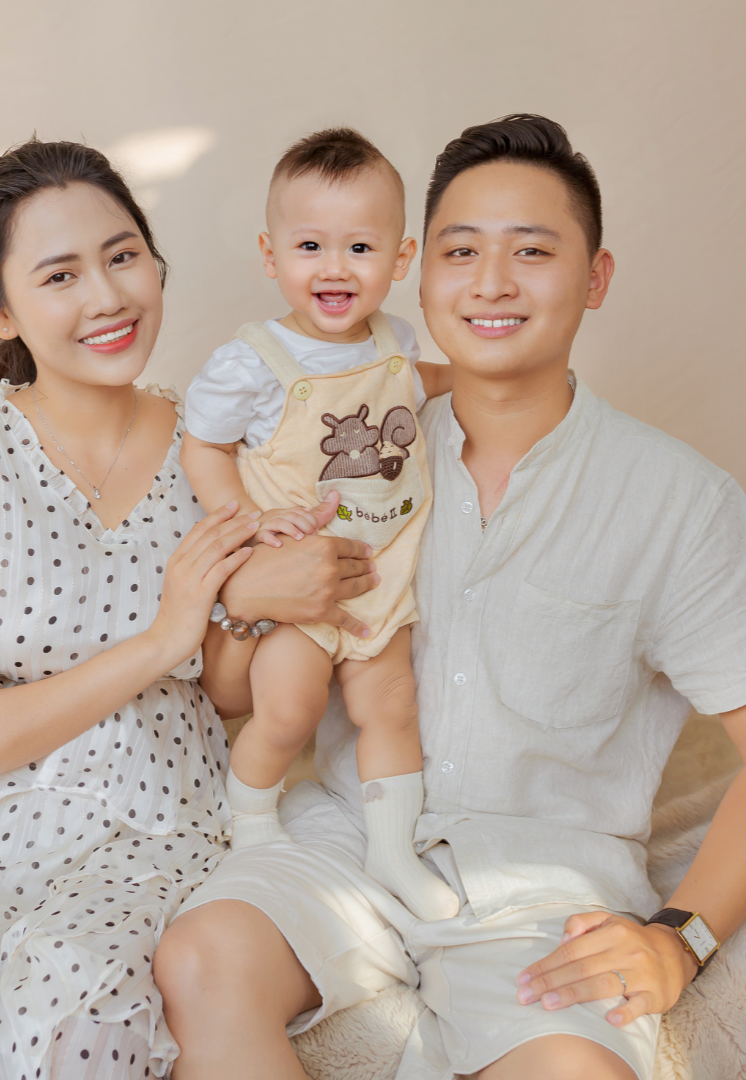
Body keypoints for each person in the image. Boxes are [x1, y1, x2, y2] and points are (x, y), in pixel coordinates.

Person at [157, 115, 746, 1080]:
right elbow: (226, 694)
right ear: (419, 273)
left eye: (532, 252)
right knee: (199, 959)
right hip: (346, 840)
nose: (491, 283)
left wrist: (683, 937)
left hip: (546, 894)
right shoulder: (345, 439)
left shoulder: (681, 501)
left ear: (596, 278)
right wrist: (250, 594)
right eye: (461, 251)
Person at [0, 138, 377, 1079]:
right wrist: (162, 639)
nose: (107, 297)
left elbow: (224, 696)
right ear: (1, 314)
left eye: (122, 257)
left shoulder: (220, 449)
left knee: (85, 1025)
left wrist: (244, 606)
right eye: (60, 275)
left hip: (157, 825)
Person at [180, 128, 458, 922]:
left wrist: (478, 377)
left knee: (391, 708)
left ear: (400, 259)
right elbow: (202, 445)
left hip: (379, 571)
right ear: (271, 257)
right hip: (299, 583)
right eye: (310, 246)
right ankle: (251, 821)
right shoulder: (253, 362)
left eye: (360, 247)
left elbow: (421, 383)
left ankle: (393, 851)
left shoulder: (397, 343)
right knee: (290, 709)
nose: (335, 268)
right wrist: (247, 519)